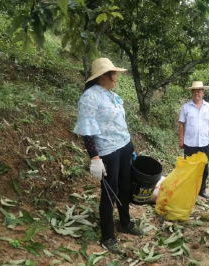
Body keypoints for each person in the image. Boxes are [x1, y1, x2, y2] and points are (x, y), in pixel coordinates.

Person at [74, 58, 143, 254]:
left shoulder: (111, 95)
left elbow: (120, 123)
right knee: (109, 192)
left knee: (125, 187)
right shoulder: (90, 97)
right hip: (107, 151)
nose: (116, 78)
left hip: (124, 147)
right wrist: (94, 158)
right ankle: (107, 236)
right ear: (104, 75)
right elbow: (86, 130)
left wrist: (131, 147)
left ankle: (125, 223)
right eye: (114, 74)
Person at [178, 81, 209, 199]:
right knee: (189, 167)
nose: (197, 94)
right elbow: (181, 124)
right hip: (189, 143)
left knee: (203, 167)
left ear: (203, 93)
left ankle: (202, 189)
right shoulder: (186, 107)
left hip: (204, 142)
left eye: (199, 91)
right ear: (191, 93)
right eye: (194, 92)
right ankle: (189, 189)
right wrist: (181, 140)